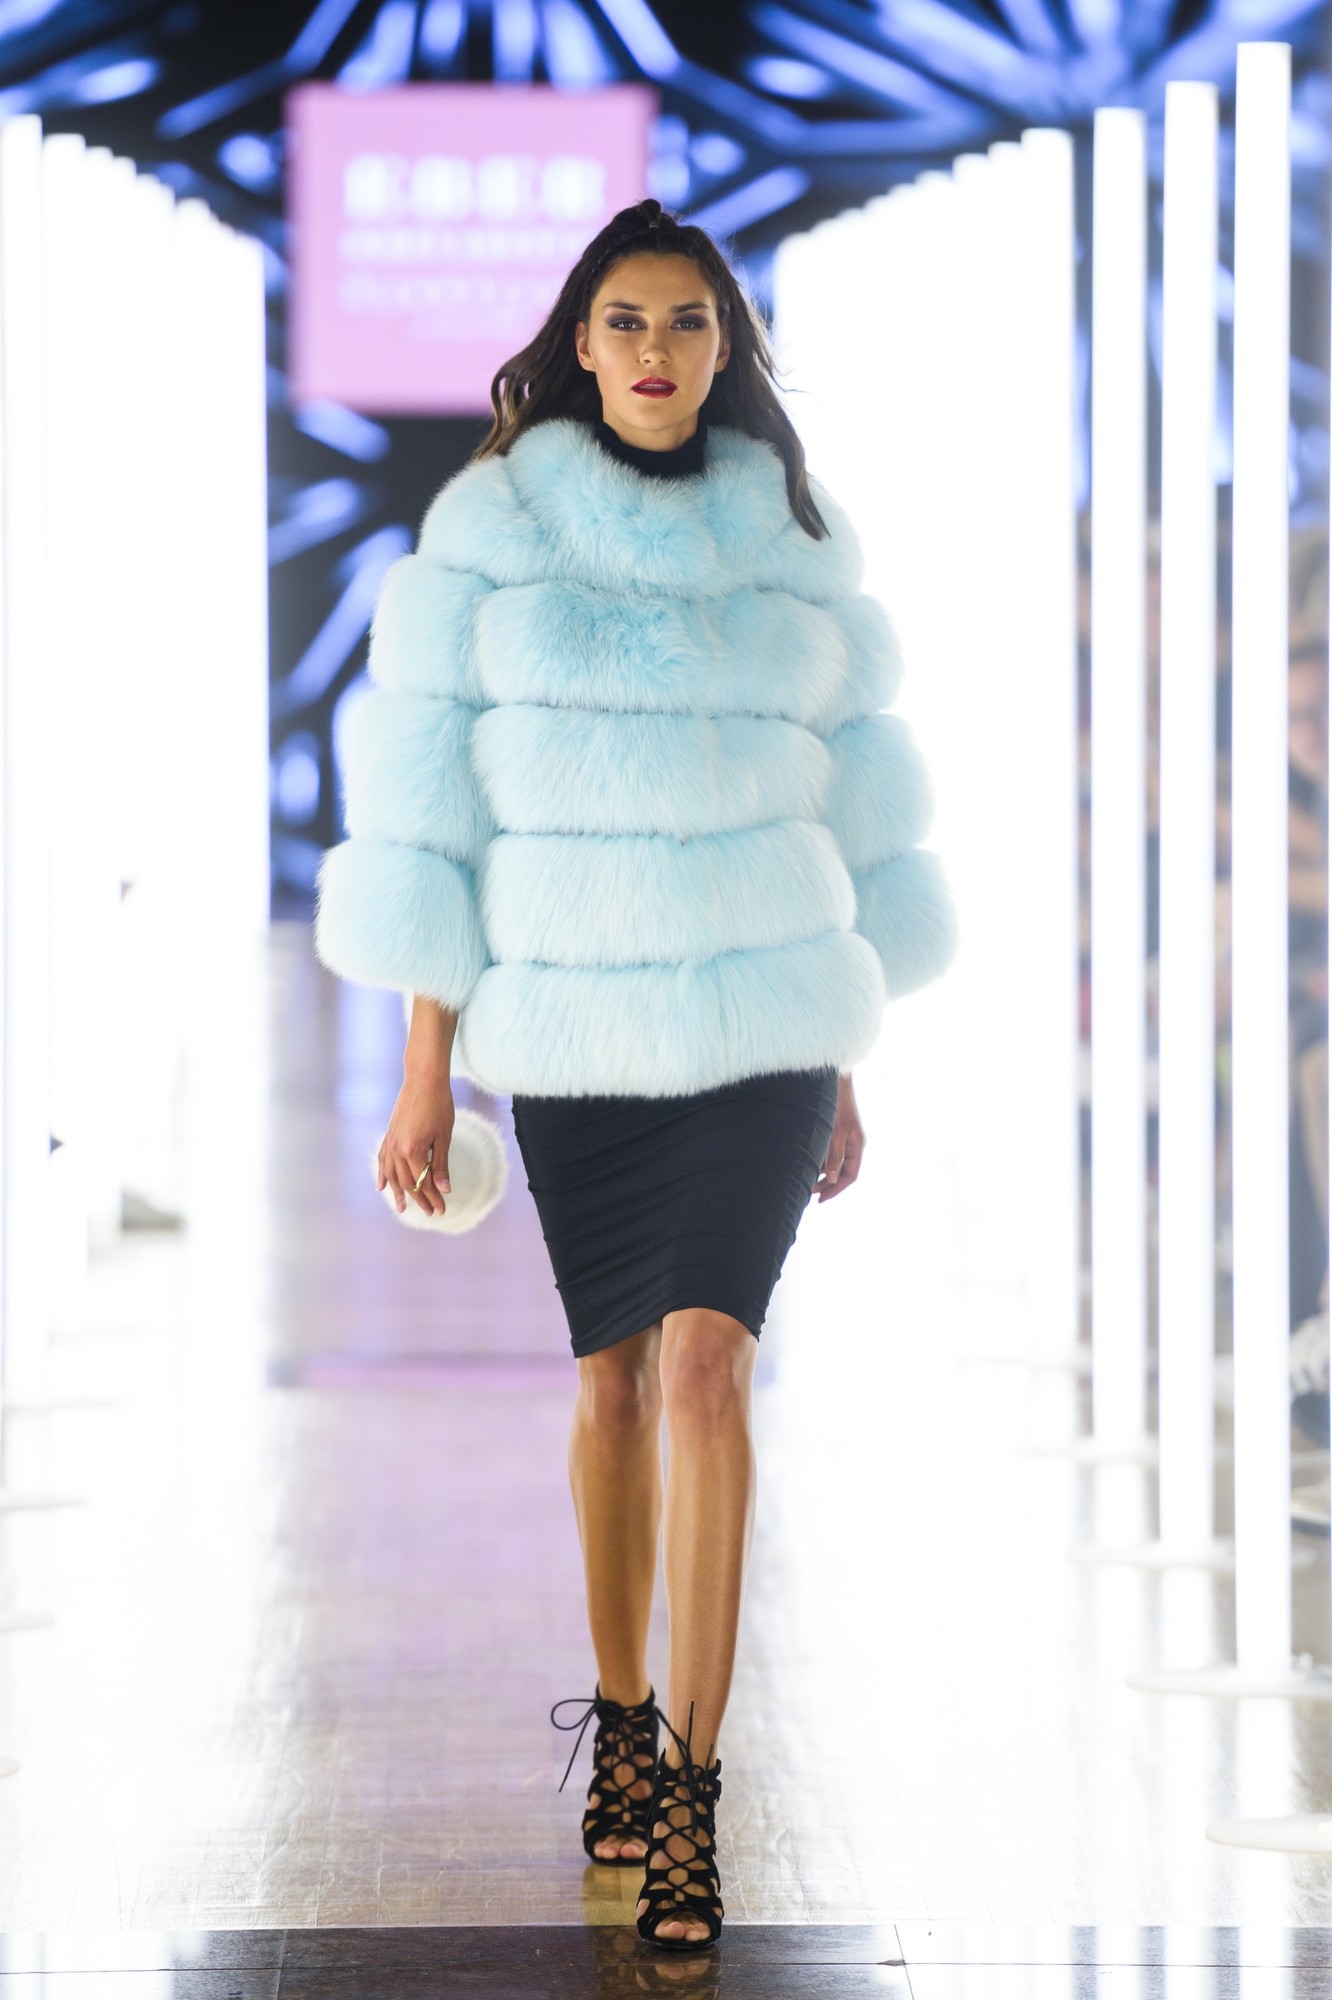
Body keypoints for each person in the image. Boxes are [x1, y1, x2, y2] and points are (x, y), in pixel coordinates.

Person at [312, 197, 957, 1954]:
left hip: (763, 1023)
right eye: (626, 323)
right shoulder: (493, 535)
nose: (657, 351)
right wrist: (426, 1065)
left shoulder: (791, 537)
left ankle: (691, 1791)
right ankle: (618, 1711)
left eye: (687, 322)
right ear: (579, 346)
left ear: (726, 346)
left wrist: (843, 1052)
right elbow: (430, 811)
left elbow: (855, 802)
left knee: (709, 1374)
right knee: (610, 1390)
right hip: (578, 1029)